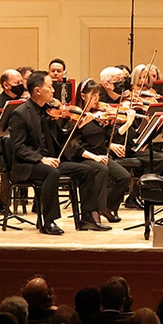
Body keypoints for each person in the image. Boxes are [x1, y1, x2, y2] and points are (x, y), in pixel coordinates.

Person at [8, 72, 74, 235]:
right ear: (37, 90)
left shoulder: (48, 111)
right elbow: (18, 147)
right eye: (50, 87)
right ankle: (48, 221)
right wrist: (41, 159)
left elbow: (60, 138)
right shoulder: (20, 113)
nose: (53, 90)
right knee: (51, 172)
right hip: (27, 165)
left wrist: (74, 125)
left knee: (87, 169)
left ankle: (89, 218)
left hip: (51, 160)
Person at [64, 78, 126, 229]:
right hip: (83, 157)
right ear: (83, 96)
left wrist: (111, 144)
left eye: (98, 96)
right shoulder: (74, 116)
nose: (96, 100)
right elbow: (71, 145)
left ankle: (105, 207)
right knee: (101, 169)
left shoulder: (97, 114)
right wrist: (80, 126)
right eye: (93, 96)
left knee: (124, 177)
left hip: (100, 155)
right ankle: (93, 215)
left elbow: (104, 136)